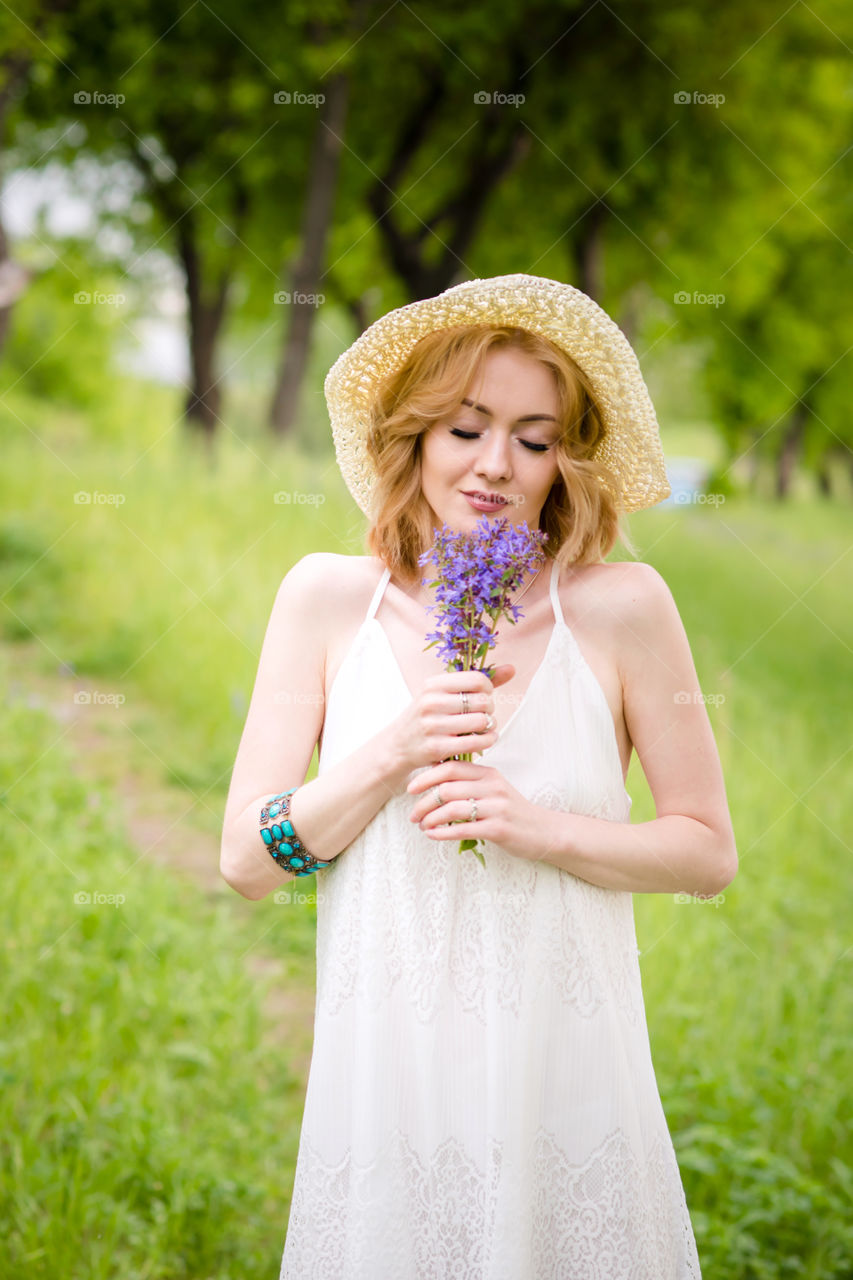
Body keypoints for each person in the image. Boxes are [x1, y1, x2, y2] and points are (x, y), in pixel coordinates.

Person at [220, 273, 737, 1279]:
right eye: (465, 428)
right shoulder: (327, 599)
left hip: (564, 1082)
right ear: (411, 436)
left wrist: (538, 825)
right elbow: (247, 856)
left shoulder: (623, 607)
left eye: (535, 438)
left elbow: (706, 851)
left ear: (566, 461)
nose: (496, 463)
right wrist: (388, 755)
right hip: (387, 1093)